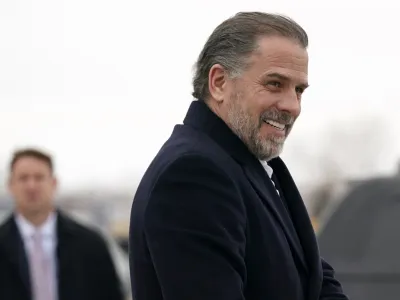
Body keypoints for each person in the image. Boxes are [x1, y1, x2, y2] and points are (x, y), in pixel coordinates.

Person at [129, 12, 348, 300]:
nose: (292, 106)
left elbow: (314, 282)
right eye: (274, 84)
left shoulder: (246, 167)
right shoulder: (194, 175)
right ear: (219, 82)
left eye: (298, 90)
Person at [0, 148, 124, 300]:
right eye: (23, 178)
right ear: (10, 185)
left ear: (53, 183)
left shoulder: (91, 245)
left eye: (39, 178)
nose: (31, 186)